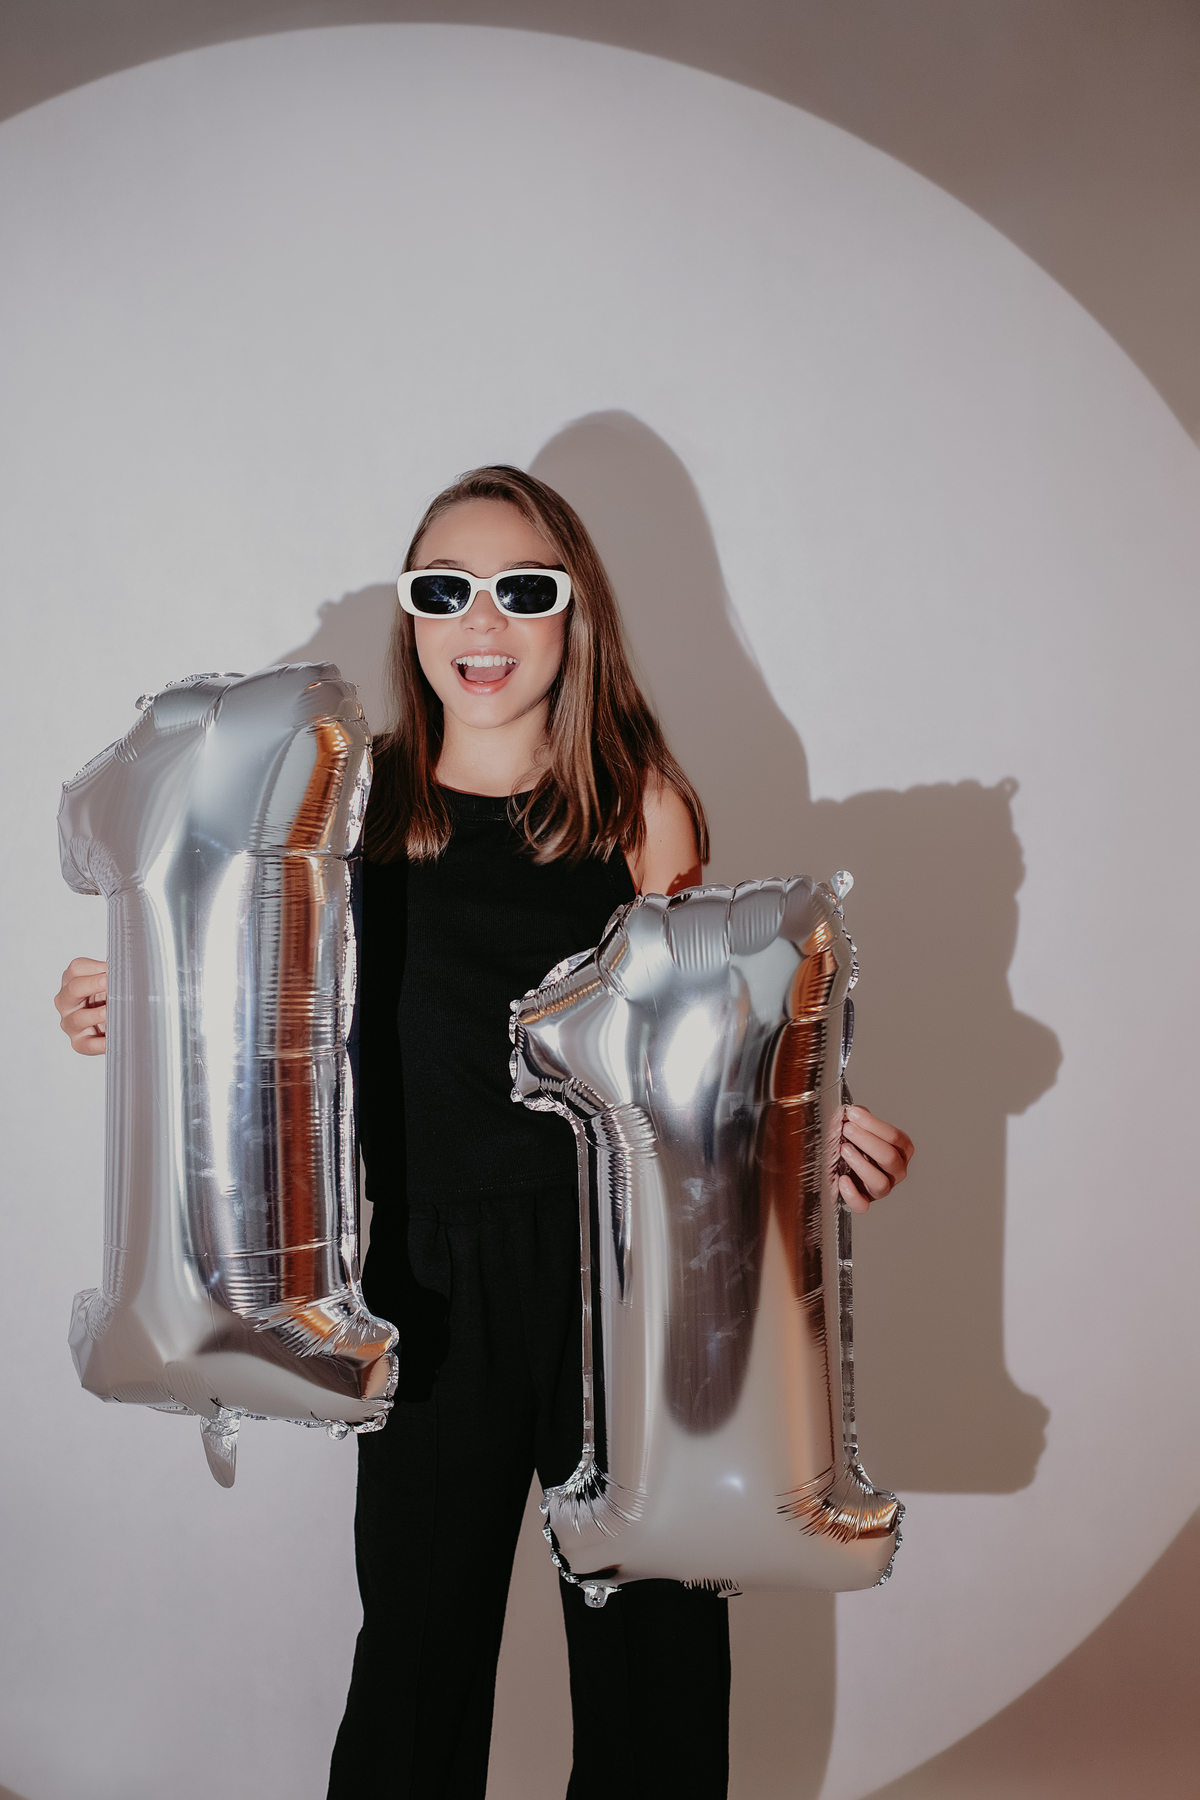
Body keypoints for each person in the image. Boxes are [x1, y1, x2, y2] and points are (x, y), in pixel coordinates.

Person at [55, 466, 914, 1798]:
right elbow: (262, 1009)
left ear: (577, 614)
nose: (483, 620)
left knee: (656, 1673)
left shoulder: (641, 810)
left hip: (629, 1299)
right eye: (444, 589)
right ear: (410, 616)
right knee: (417, 1667)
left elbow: (704, 1050)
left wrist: (810, 1148)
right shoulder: (344, 812)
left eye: (524, 588)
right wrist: (139, 1003)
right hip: (430, 1285)